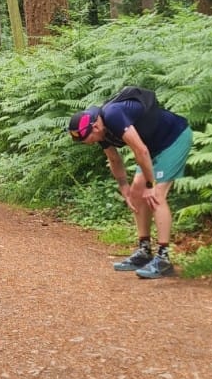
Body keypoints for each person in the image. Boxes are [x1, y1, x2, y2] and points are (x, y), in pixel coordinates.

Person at [67, 87, 193, 279]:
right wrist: (124, 187)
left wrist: (151, 185)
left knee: (156, 196)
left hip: (173, 139)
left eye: (88, 140)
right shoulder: (101, 131)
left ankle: (164, 258)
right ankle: (144, 251)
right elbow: (115, 159)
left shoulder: (113, 115)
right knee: (136, 193)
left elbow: (140, 150)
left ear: (95, 127)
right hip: (151, 149)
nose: (89, 143)